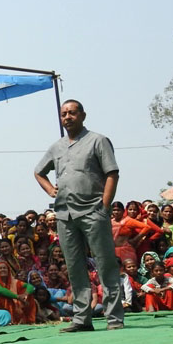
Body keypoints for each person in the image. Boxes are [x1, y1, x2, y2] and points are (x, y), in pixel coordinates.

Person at [35, 99, 124, 332]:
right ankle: (82, 319)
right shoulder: (56, 147)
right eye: (64, 114)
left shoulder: (98, 140)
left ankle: (114, 318)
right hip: (64, 214)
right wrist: (49, 189)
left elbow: (112, 174)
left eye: (72, 113)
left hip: (93, 210)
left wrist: (105, 207)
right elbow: (38, 171)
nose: (67, 117)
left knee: (105, 265)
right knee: (74, 267)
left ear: (83, 115)